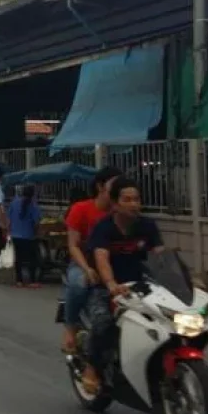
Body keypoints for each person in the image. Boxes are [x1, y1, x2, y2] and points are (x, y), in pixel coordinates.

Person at [81, 176, 164, 393]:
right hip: (106, 287)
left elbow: (161, 257)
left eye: (136, 199)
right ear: (115, 204)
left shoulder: (148, 226)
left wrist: (186, 279)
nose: (134, 204)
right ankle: (92, 366)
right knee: (103, 324)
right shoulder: (103, 228)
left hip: (141, 285)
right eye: (127, 199)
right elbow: (101, 259)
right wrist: (110, 284)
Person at [61, 166, 122, 353]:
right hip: (83, 262)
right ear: (100, 186)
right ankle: (70, 329)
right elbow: (73, 246)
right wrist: (87, 268)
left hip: (112, 263)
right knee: (79, 284)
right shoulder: (80, 209)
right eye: (115, 184)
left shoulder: (120, 213)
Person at [8, 185, 42, 288]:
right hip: (28, 236)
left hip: (15, 235)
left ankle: (19, 281)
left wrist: (9, 231)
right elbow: (36, 223)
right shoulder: (33, 206)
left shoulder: (14, 203)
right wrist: (36, 233)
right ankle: (32, 281)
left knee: (18, 258)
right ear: (33, 195)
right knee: (33, 258)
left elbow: (9, 219)